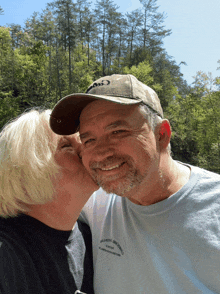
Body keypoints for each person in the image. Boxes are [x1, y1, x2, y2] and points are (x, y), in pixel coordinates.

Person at [50, 74, 220, 293]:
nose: (101, 153)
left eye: (118, 132)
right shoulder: (95, 203)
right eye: (89, 140)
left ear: (162, 134)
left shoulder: (214, 205)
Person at [0, 109, 98, 294]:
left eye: (85, 142)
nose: (88, 150)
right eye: (67, 146)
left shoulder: (90, 236)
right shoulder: (6, 252)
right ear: (28, 170)